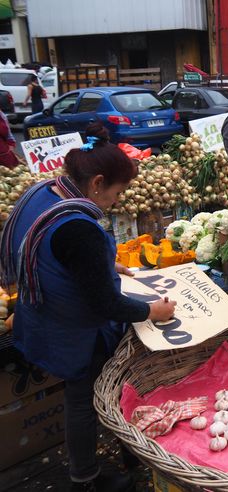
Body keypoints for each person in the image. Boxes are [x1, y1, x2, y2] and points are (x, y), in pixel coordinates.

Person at [0, 122, 176, 492]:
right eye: (116, 192)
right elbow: (106, 303)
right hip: (72, 330)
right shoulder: (80, 229)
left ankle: (106, 461)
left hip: (40, 311)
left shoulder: (43, 192)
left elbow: (52, 249)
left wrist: (100, 264)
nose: (117, 202)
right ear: (97, 183)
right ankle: (85, 478)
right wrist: (152, 312)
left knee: (78, 395)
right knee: (82, 399)